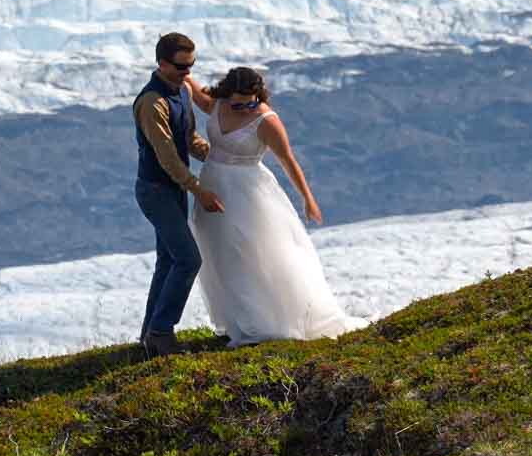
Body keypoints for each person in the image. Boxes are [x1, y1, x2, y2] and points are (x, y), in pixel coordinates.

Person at [186, 66, 364, 346]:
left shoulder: (266, 121)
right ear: (226, 93)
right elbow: (197, 95)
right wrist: (183, 73)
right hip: (212, 187)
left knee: (251, 252)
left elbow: (287, 160)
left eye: (251, 101)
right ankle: (238, 319)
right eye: (238, 102)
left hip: (247, 193)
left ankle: (266, 321)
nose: (244, 107)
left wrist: (308, 198)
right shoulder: (218, 103)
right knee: (220, 252)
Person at [133, 33, 224, 357]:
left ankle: (149, 335)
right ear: (162, 63)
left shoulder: (182, 91)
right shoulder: (151, 103)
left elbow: (187, 137)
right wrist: (198, 190)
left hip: (173, 188)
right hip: (156, 190)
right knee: (188, 259)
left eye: (192, 66)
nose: (189, 73)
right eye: (182, 67)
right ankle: (161, 332)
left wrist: (218, 157)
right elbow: (167, 156)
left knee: (169, 260)